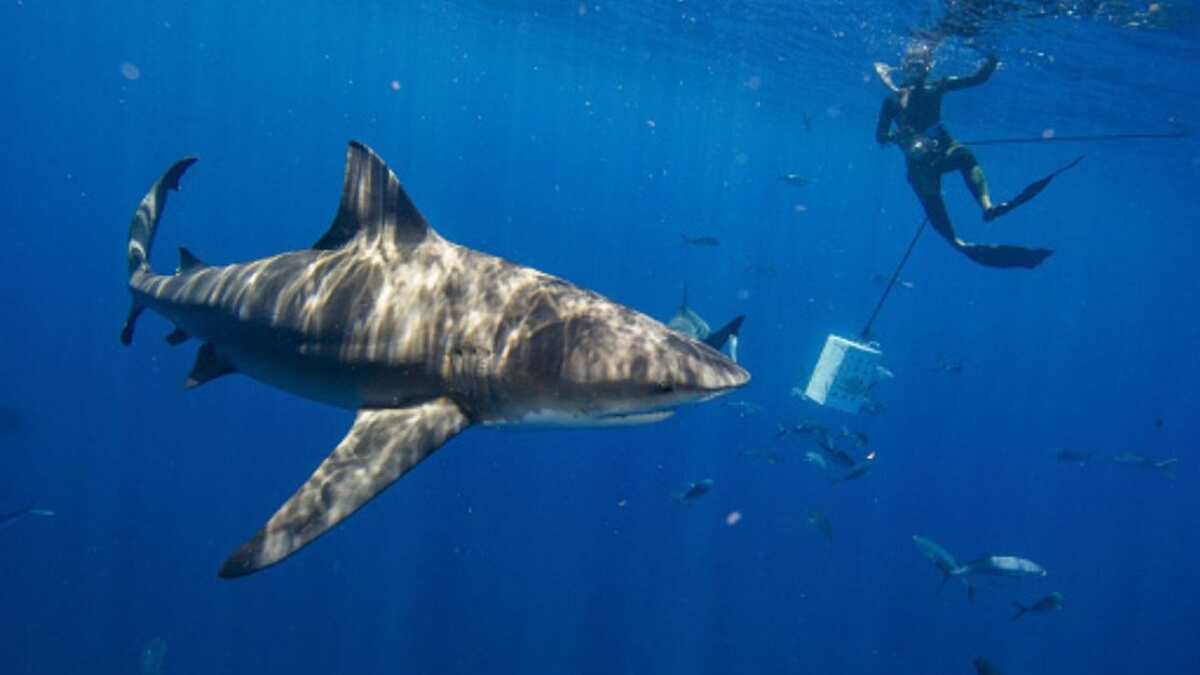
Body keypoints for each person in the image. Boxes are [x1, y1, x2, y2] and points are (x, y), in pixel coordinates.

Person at [875, 42, 1078, 269]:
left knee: (957, 169)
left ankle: (979, 216)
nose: (915, 69)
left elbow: (881, 137)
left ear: (928, 66)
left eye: (918, 65)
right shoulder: (918, 92)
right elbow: (882, 136)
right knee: (963, 159)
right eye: (912, 65)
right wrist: (992, 56)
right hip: (928, 158)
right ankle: (985, 208)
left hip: (925, 162)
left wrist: (992, 58)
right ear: (909, 66)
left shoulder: (915, 93)